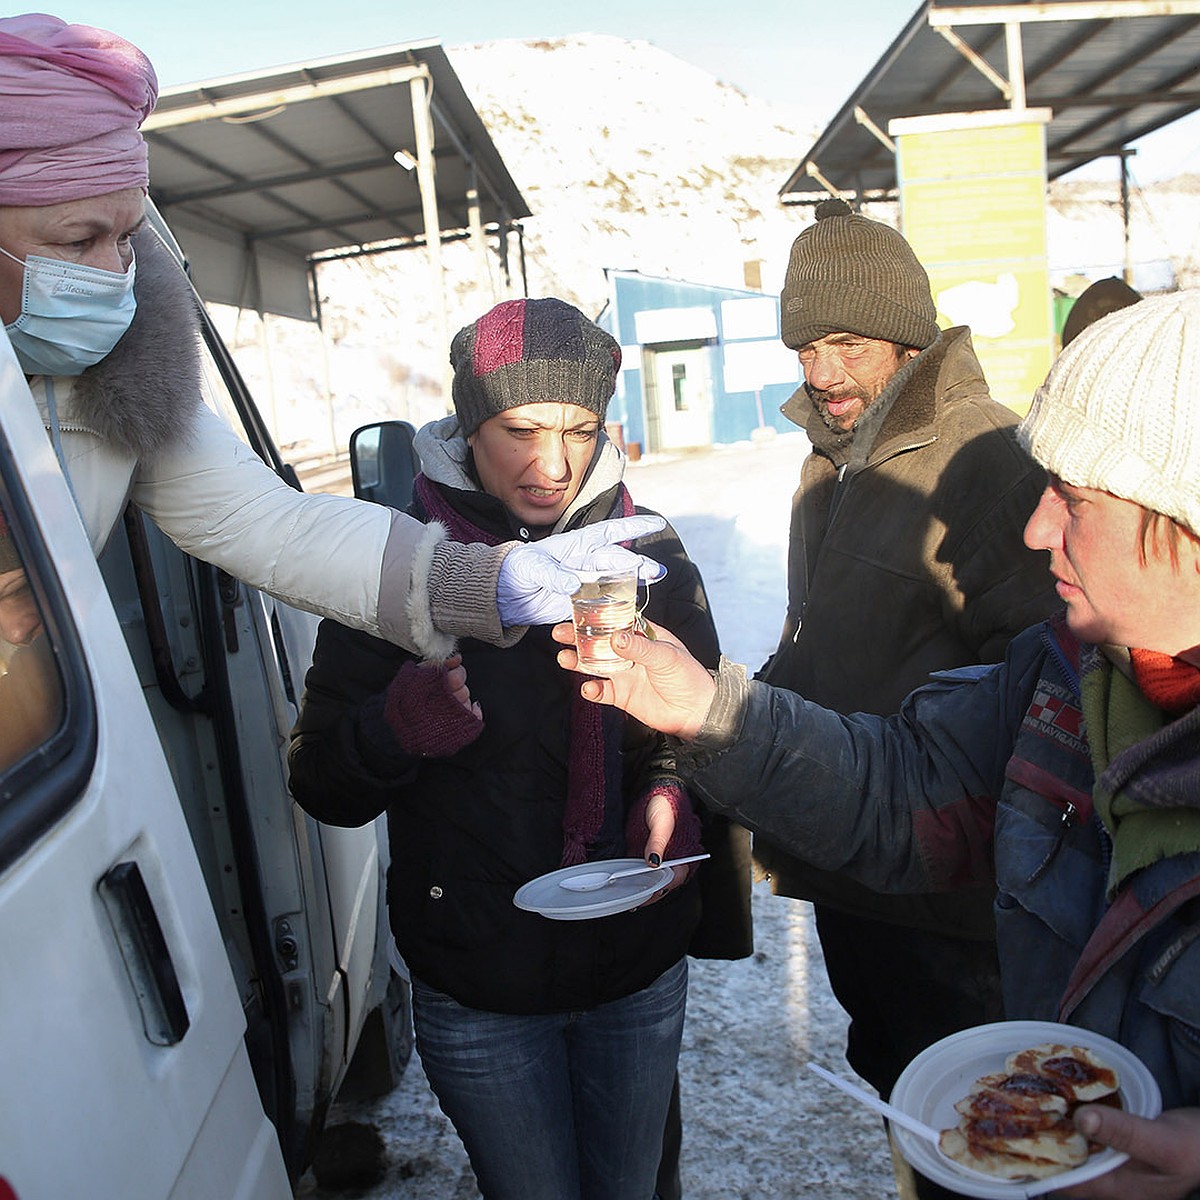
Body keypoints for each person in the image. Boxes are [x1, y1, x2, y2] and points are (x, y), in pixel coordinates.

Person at [554, 289, 1200, 1200]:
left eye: (1077, 500)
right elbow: (903, 790)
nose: (1035, 529)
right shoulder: (1058, 675)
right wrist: (707, 709)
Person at [0, 13, 661, 662]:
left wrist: (483, 582)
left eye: (125, 238)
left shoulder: (128, 374)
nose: (116, 276)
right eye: (78, 240)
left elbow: (267, 524)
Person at [287, 297, 747, 1200]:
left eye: (580, 429)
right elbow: (320, 781)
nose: (554, 463)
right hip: (480, 981)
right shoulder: (395, 562)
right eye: (519, 429)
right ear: (467, 423)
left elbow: (692, 725)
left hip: (633, 962)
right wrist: (396, 725)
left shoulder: (644, 550)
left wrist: (669, 787)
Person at [755, 197, 1059, 1197]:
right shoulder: (828, 463)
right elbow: (830, 647)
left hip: (952, 909)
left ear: (906, 334)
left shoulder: (982, 460)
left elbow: (1045, 683)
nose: (821, 371)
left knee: (988, 1140)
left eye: (845, 341)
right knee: (906, 1103)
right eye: (805, 343)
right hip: (861, 877)